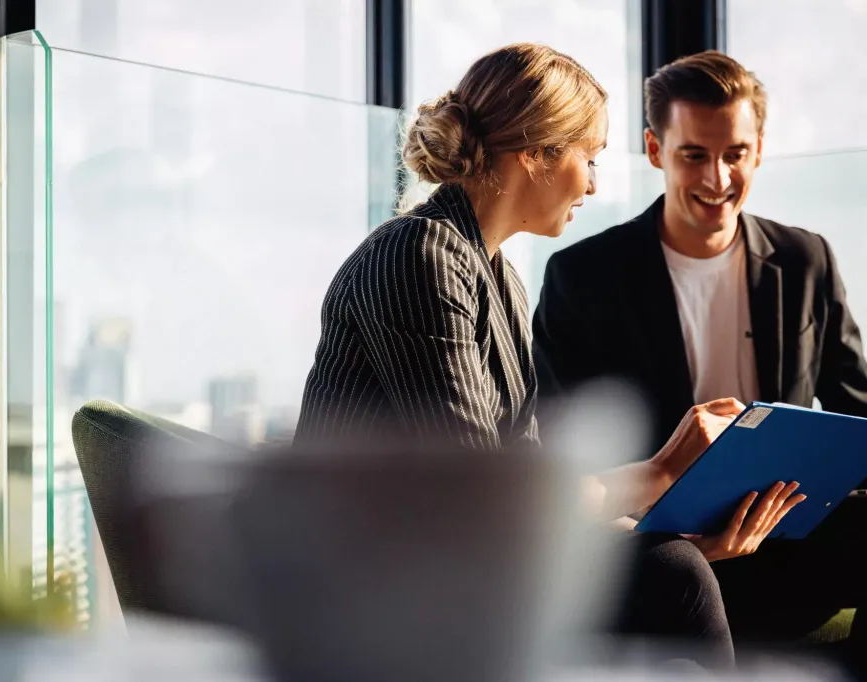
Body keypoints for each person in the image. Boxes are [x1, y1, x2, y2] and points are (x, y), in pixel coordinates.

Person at [294, 43, 803, 669]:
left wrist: (675, 533)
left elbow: (531, 493)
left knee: (675, 564)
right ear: (535, 153)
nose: (593, 183)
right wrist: (662, 471)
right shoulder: (419, 255)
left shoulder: (497, 277)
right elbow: (493, 503)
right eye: (588, 157)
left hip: (460, 567)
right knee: (673, 575)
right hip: (372, 585)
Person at [532, 50, 867, 662]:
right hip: (665, 555)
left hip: (788, 541)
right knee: (672, 569)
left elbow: (857, 410)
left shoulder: (806, 259)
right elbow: (565, 448)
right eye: (694, 155)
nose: (717, 178)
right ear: (655, 150)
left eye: (735, 154)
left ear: (758, 150)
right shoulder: (583, 276)